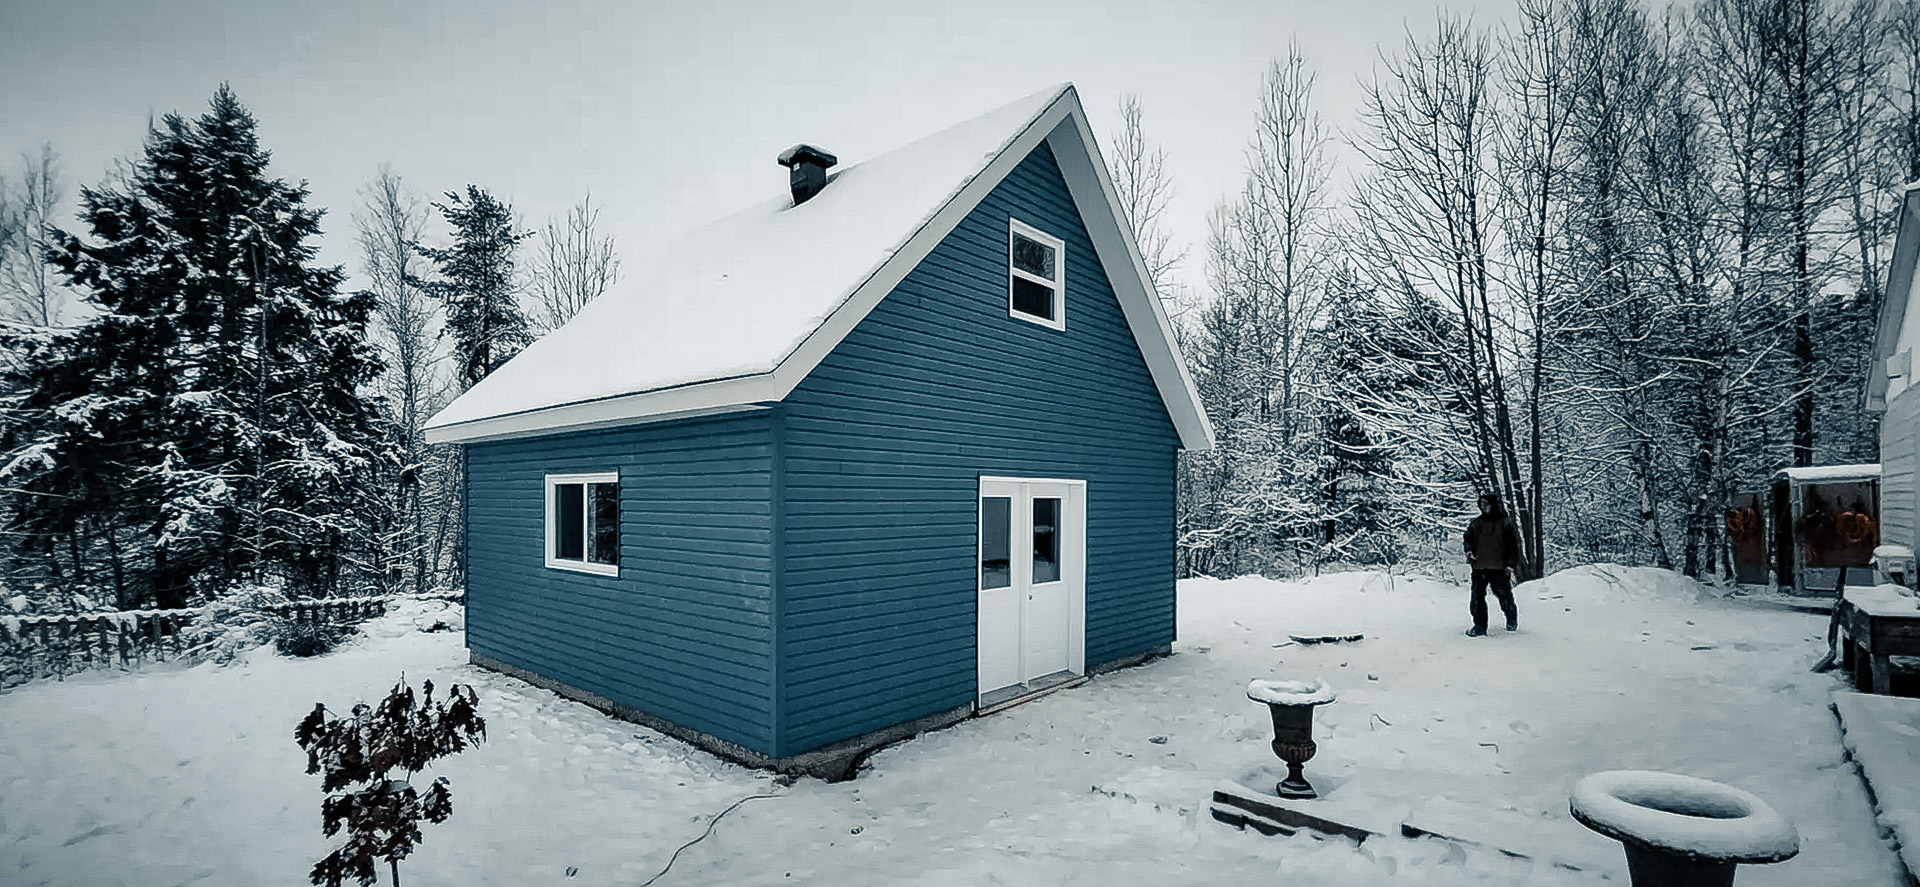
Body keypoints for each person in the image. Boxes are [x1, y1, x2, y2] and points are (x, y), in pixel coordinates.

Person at [1463, 493, 1521, 637]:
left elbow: (1512, 546)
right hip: (1479, 566)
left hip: (1499, 567)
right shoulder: (1476, 523)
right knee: (1477, 597)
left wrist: (1510, 564)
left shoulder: (1505, 523)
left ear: (1494, 505)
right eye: (1481, 505)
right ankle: (1479, 625)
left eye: (1486, 504)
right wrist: (1469, 551)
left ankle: (1511, 620)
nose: (1483, 507)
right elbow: (1468, 539)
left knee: (1503, 594)